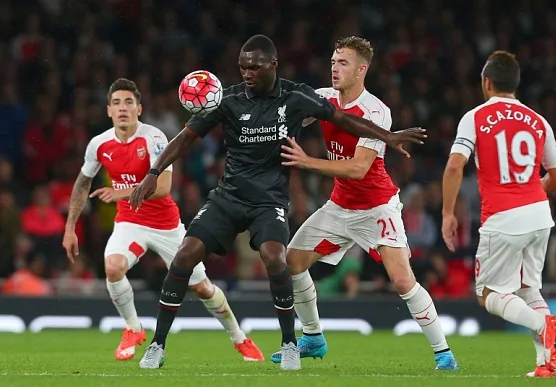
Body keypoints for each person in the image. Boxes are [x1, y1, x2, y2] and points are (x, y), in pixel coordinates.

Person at [128, 34, 427, 371]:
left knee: (275, 257)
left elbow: (342, 119)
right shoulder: (227, 99)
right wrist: (154, 171)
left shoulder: (294, 96)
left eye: (253, 67)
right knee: (184, 255)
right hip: (229, 196)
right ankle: (157, 345)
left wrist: (387, 136)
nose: (246, 73)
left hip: (269, 200)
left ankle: (289, 344)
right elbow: (185, 137)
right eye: (242, 67)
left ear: (272, 65)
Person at [269, 36, 458, 370]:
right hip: (339, 206)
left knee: (402, 280)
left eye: (343, 63)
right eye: (332, 62)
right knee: (292, 262)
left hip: (377, 207)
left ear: (361, 69)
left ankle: (443, 353)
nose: (334, 69)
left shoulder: (376, 112)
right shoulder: (325, 98)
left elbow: (358, 169)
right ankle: (313, 337)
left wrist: (306, 161)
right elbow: (289, 115)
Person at [62, 78, 264, 363]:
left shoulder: (154, 137)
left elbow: (164, 187)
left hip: (166, 226)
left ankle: (239, 338)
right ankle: (133, 329)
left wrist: (121, 191)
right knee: (113, 266)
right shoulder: (99, 144)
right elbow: (83, 183)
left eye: (128, 103)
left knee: (202, 288)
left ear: (139, 108)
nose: (123, 108)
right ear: (108, 111)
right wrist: (70, 228)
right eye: (117, 103)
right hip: (130, 223)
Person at [441, 51, 556, 378]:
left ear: (486, 82)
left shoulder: (476, 117)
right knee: (528, 289)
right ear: (515, 83)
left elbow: (456, 165)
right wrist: (530, 189)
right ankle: (544, 364)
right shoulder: (539, 120)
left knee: (488, 293)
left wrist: (447, 213)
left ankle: (543, 324)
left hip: (504, 216)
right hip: (540, 214)